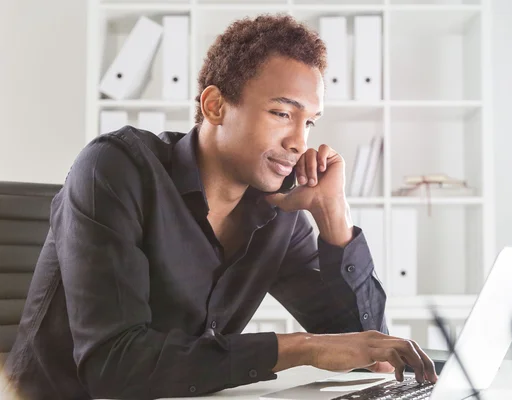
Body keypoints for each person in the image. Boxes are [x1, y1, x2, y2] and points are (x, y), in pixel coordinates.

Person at [2, 14, 437, 399]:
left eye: (309, 122)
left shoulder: (278, 210)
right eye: (282, 114)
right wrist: (299, 347)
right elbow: (114, 368)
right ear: (214, 106)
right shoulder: (116, 168)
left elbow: (366, 353)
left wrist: (334, 219)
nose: (298, 142)